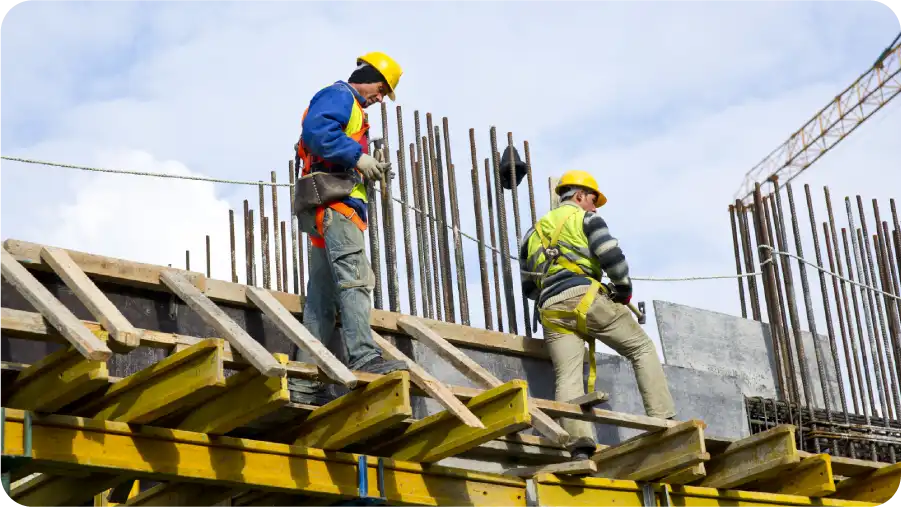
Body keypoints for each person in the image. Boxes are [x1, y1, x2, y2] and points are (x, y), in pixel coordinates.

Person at [520, 170, 676, 460]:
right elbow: (612, 257)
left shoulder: (532, 234)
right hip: (586, 297)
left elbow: (529, 287)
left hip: (551, 309)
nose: (595, 208)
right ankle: (664, 420)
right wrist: (623, 290)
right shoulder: (587, 219)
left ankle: (579, 445)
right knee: (641, 348)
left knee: (567, 375)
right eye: (593, 200)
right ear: (579, 196)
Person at [289, 52, 409, 405]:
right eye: (381, 90)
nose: (381, 99)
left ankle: (305, 382)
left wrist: (364, 166)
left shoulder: (351, 107)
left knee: (321, 301)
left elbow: (328, 146)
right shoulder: (341, 95)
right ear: (369, 77)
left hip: (327, 209)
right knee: (356, 280)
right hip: (337, 209)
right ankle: (364, 356)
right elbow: (317, 132)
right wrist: (358, 157)